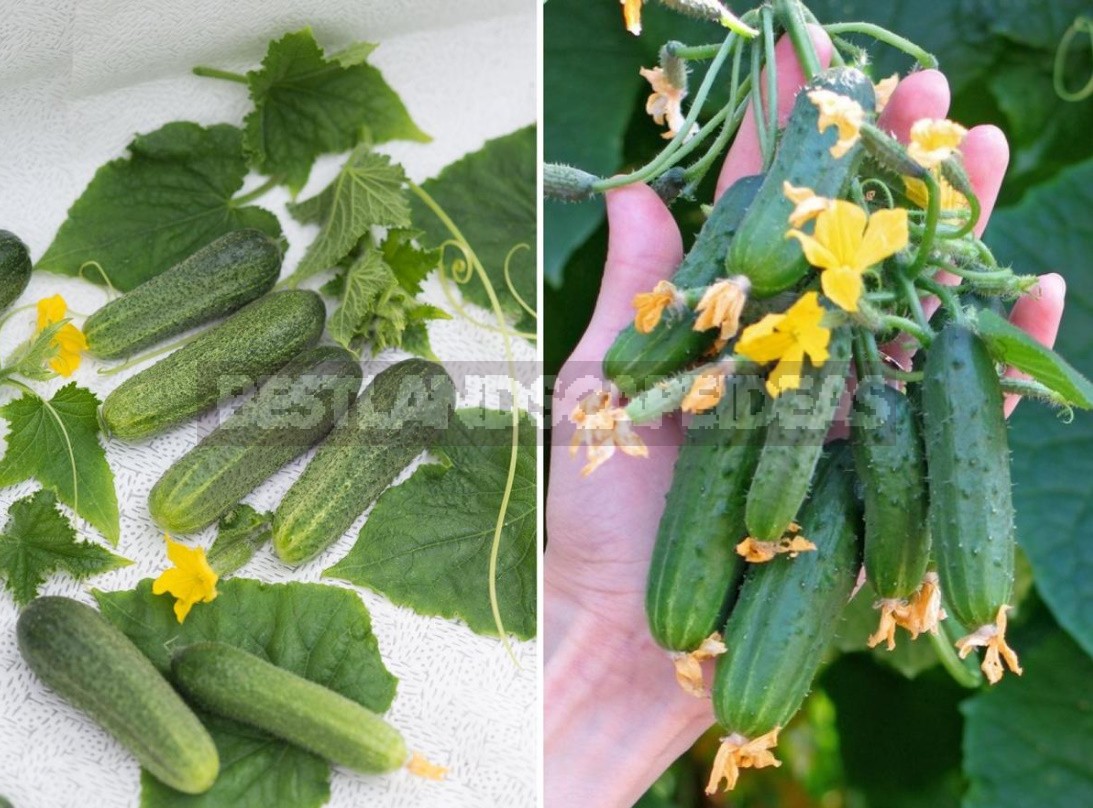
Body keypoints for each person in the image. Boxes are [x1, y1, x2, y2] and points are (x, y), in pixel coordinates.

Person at [544, 27, 1066, 808]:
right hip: (795, 319)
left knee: (878, 420)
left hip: (820, 341)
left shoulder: (890, 365)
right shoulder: (776, 246)